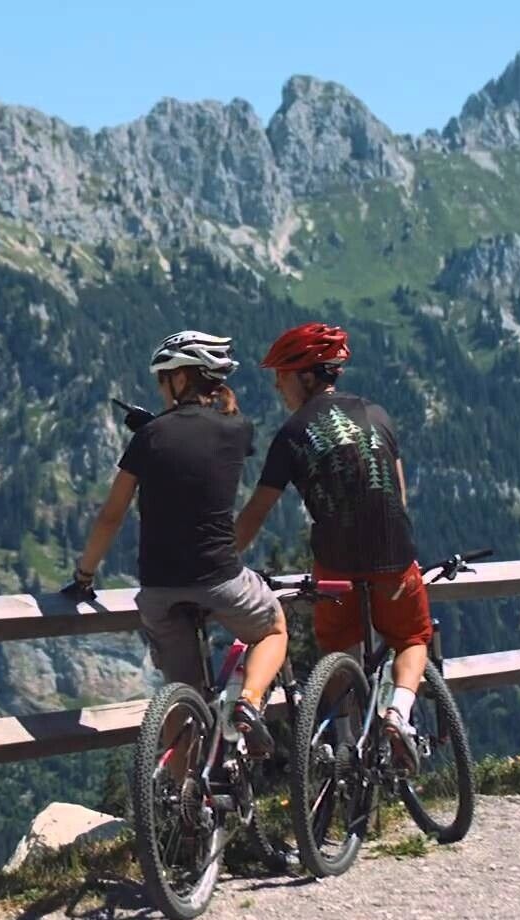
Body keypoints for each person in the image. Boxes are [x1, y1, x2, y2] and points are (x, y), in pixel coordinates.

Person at [72, 331, 289, 759]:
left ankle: (181, 794)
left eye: (162, 379)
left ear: (180, 378)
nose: (159, 387)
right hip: (220, 578)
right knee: (273, 629)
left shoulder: (149, 438)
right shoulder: (239, 429)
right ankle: (248, 701)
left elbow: (111, 515)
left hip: (158, 588)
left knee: (180, 692)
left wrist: (84, 576)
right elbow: (202, 446)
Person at [233, 322, 429, 770]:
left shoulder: (291, 433)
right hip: (393, 556)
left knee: (339, 651)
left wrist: (223, 561)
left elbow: (256, 512)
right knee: (411, 637)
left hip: (336, 566)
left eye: (282, 375)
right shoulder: (377, 414)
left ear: (306, 376)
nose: (277, 385)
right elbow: (397, 496)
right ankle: (399, 712)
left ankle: (343, 747)